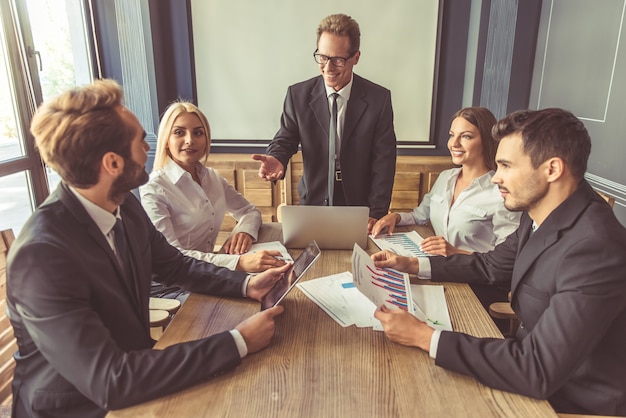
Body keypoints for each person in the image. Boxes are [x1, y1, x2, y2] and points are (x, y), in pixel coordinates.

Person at [6, 79, 291, 418]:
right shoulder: (41, 256)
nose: (148, 148)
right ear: (113, 163)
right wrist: (237, 342)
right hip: (82, 406)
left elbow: (176, 266)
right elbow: (110, 380)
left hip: (136, 376)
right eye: (141, 140)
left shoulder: (124, 204)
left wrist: (245, 284)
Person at [371, 108, 626, 416]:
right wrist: (414, 265)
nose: (497, 178)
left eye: (505, 166)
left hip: (568, 403)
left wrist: (426, 337)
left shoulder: (596, 247)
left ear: (552, 169)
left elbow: (538, 369)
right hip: (528, 371)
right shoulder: (539, 215)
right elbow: (490, 265)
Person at [371, 107, 520, 326]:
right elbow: (420, 215)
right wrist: (396, 217)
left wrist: (455, 251)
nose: (454, 143)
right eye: (452, 135)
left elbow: (506, 263)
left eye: (466, 136)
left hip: (475, 287)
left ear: (487, 140)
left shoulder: (500, 192)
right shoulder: (446, 177)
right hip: (439, 273)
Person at [252, 13, 397, 232]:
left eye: (337, 60)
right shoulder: (297, 95)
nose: (327, 68)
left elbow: (384, 162)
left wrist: (376, 213)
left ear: (356, 57)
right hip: (314, 200)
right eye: (322, 57)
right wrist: (277, 158)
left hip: (360, 205)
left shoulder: (379, 100)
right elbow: (285, 138)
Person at [140, 102, 285, 301]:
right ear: (166, 140)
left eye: (198, 133)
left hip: (207, 274)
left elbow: (249, 211)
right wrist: (239, 262)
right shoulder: (154, 189)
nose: (190, 140)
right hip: (171, 286)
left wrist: (245, 231)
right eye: (179, 132)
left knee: (277, 290)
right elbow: (174, 258)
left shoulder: (213, 178)